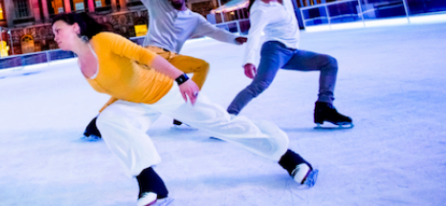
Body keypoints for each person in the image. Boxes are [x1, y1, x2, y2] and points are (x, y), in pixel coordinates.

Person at [53, 13, 317, 206]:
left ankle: (288, 157)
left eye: (57, 30)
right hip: (139, 103)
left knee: (220, 124)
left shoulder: (104, 41)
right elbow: (118, 88)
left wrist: (181, 78)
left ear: (75, 27)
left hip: (165, 90)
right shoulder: (81, 63)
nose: (54, 37)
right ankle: (151, 184)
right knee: (109, 120)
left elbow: (146, 57)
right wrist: (101, 114)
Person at [82, 0, 247, 139]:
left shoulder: (195, 19)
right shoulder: (157, 3)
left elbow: (214, 31)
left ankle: (187, 108)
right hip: (151, 55)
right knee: (131, 87)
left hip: (171, 58)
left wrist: (234, 38)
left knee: (202, 66)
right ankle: (97, 122)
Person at [227, 0, 353, 127]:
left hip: (292, 52)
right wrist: (248, 61)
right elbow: (254, 35)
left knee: (329, 63)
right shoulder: (259, 9)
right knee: (259, 85)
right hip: (274, 51)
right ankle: (227, 119)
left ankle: (324, 107)